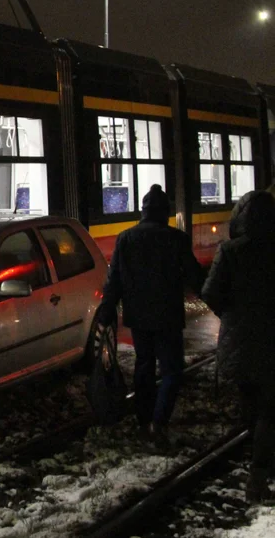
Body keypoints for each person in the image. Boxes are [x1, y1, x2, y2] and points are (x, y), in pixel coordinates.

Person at [99, 184, 204, 448]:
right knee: (171, 370)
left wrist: (107, 309)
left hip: (139, 317)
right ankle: (159, 421)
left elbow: (115, 280)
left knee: (144, 365)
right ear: (165, 213)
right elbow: (195, 276)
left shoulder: (125, 238)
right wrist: (218, 300)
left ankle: (143, 419)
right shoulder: (176, 239)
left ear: (143, 212)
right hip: (168, 316)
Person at [201, 190, 275, 503]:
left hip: (240, 345)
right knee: (270, 411)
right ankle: (257, 481)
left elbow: (210, 293)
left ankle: (258, 468)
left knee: (252, 405)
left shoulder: (229, 251)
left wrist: (232, 317)